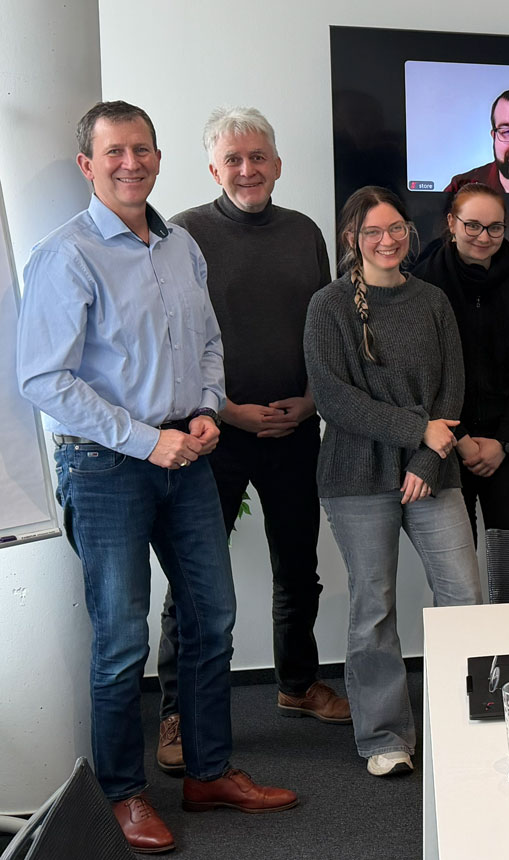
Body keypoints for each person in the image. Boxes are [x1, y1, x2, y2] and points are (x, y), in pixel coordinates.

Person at [16, 100, 297, 854]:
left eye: (141, 149)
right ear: (88, 164)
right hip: (106, 465)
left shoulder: (179, 246)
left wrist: (206, 409)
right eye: (114, 152)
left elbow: (207, 342)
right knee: (120, 640)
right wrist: (147, 442)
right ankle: (122, 795)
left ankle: (208, 774)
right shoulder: (66, 254)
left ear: (159, 157)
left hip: (187, 455)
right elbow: (43, 377)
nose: (130, 163)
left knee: (212, 618)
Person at [156, 107, 348, 778]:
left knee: (298, 567)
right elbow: (171, 338)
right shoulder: (182, 233)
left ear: (277, 163)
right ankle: (176, 712)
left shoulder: (304, 232)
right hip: (215, 434)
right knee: (192, 580)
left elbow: (327, 328)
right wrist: (228, 411)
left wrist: (313, 398)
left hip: (295, 429)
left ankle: (297, 684)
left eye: (258, 156)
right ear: (214, 169)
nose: (247, 170)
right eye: (233, 159)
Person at [303, 186, 484, 777]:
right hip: (357, 478)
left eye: (396, 228)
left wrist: (427, 459)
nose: (387, 240)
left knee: (464, 596)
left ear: (410, 231)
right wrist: (416, 431)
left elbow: (452, 389)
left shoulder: (431, 300)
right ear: (352, 238)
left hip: (433, 472)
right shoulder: (328, 306)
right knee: (374, 607)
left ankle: (468, 721)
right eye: (373, 231)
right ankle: (385, 737)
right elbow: (333, 398)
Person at [410, 183, 509, 537]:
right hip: (443, 443)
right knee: (456, 566)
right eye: (472, 225)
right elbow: (421, 374)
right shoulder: (422, 285)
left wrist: (503, 442)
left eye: (494, 227)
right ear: (451, 223)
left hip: (508, 444)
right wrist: (463, 440)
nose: (484, 237)